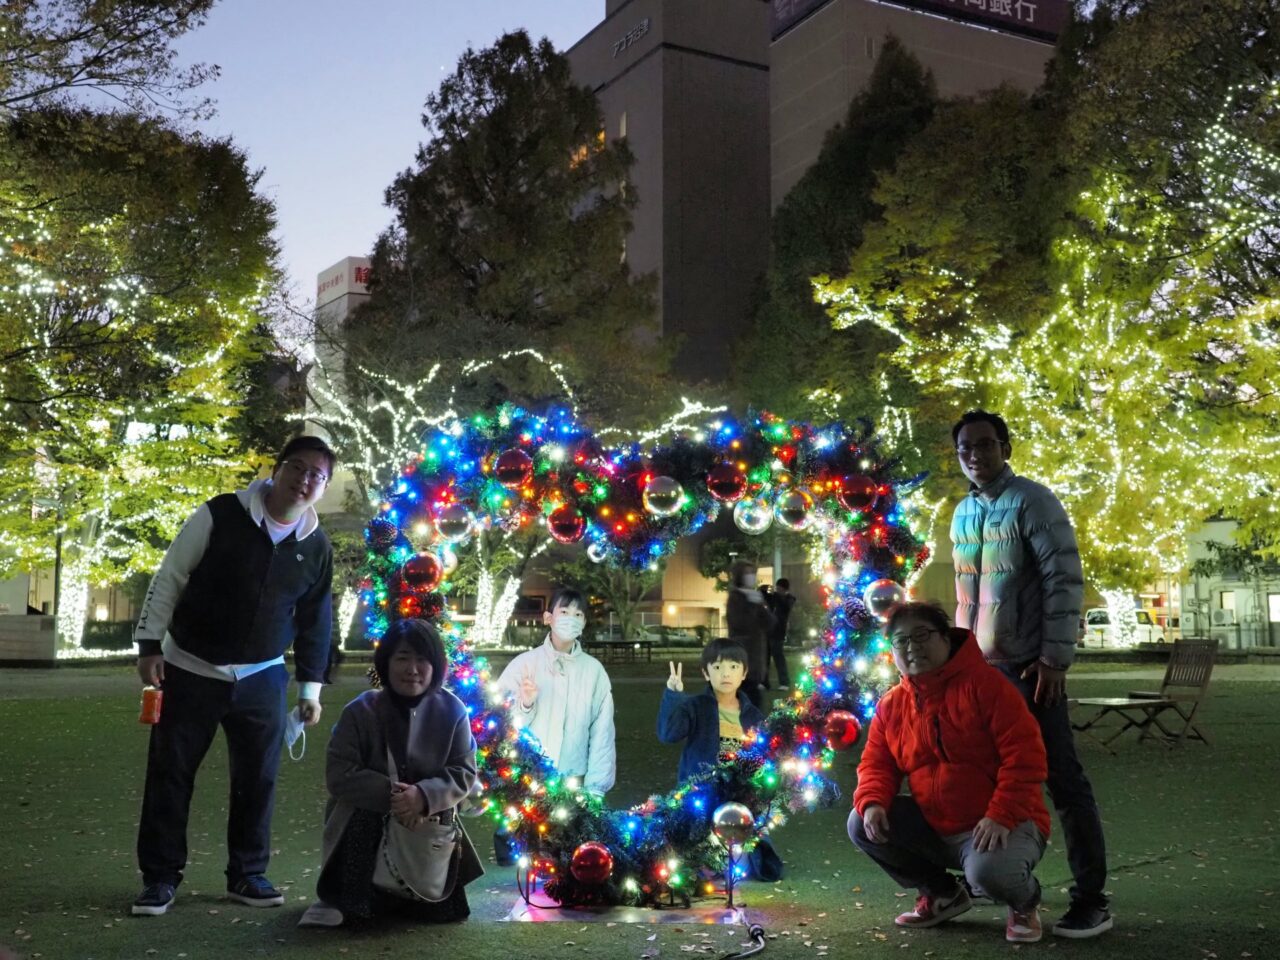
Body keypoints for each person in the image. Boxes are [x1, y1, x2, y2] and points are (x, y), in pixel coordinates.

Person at [131, 437, 336, 916]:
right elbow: (171, 576)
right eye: (298, 468)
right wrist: (148, 645)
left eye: (317, 475)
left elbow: (316, 620)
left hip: (263, 677)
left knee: (258, 779)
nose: (304, 480)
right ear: (278, 468)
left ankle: (247, 874)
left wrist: (310, 687)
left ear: (323, 487)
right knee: (170, 774)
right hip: (189, 667)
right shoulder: (220, 514)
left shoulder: (316, 546)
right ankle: (160, 878)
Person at [950, 409, 1111, 938]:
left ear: (1006, 448)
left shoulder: (1034, 501)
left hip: (1029, 669)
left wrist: (1053, 659)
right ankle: (1005, 888)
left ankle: (1092, 899)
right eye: (965, 447)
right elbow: (966, 598)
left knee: (1062, 778)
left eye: (986, 444)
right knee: (985, 780)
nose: (976, 454)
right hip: (982, 673)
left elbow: (1063, 581)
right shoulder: (963, 514)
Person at [848, 603, 1051, 944]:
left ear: (946, 638)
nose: (912, 647)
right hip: (936, 825)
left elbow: (1025, 758)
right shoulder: (892, 705)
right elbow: (876, 764)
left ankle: (1024, 901)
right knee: (860, 822)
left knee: (990, 873)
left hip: (1003, 822)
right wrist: (872, 802)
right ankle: (943, 893)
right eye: (901, 641)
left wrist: (1001, 815)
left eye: (922, 635)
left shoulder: (988, 686)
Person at [299, 619, 482, 928]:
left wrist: (423, 797)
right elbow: (340, 774)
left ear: (436, 665)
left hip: (428, 823)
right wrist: (398, 798)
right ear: (385, 663)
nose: (412, 668)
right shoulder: (360, 711)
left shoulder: (453, 711)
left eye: (422, 659)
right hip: (370, 815)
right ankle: (358, 895)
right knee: (360, 907)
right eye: (402, 658)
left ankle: (422, 894)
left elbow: (463, 771)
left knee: (438, 913)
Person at [496, 587, 616, 795]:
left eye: (578, 614)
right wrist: (525, 705)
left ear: (584, 623)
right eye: (564, 612)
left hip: (573, 780)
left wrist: (596, 787)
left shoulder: (593, 671)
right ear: (548, 617)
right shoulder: (524, 665)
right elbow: (499, 724)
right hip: (528, 778)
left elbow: (602, 732)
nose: (572, 619)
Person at [656, 637, 765, 783]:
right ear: (706, 673)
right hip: (699, 796)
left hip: (739, 797)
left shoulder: (753, 716)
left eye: (733, 667)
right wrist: (674, 695)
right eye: (718, 667)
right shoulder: (696, 707)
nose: (726, 674)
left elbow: (762, 758)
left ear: (744, 673)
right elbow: (668, 734)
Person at [725, 561, 773, 712]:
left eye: (753, 573)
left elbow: (770, 622)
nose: (751, 577)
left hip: (756, 659)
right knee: (745, 702)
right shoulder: (736, 598)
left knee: (754, 703)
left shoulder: (755, 597)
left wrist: (761, 605)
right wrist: (752, 605)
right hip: (742, 657)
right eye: (748, 574)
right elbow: (740, 624)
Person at [763, 578, 795, 689]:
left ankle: (784, 682)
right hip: (768, 630)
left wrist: (776, 595)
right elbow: (766, 600)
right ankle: (764, 682)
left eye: (779, 588)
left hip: (779, 631)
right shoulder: (775, 598)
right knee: (765, 657)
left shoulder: (790, 598)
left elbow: (785, 606)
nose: (777, 590)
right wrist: (762, 591)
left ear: (784, 589)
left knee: (778, 656)